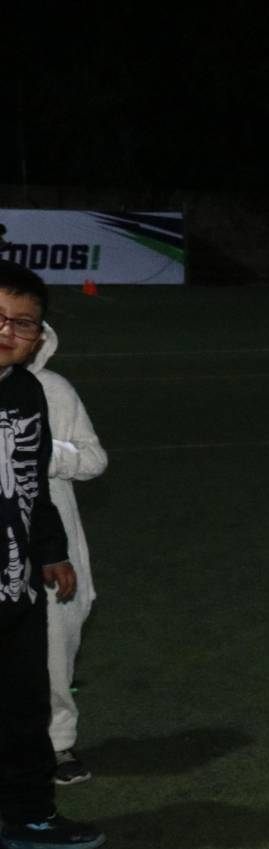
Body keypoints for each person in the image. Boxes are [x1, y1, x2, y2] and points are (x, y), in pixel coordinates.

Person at [0, 260, 102, 849]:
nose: (8, 332)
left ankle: (31, 814)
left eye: (23, 323)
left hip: (15, 585)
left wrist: (53, 551)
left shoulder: (30, 391)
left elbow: (34, 486)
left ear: (40, 335)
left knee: (23, 702)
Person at [26, 313, 107, 785]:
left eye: (23, 325)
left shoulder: (53, 389)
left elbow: (94, 459)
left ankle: (57, 743)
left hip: (51, 545)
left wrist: (43, 451)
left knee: (56, 644)